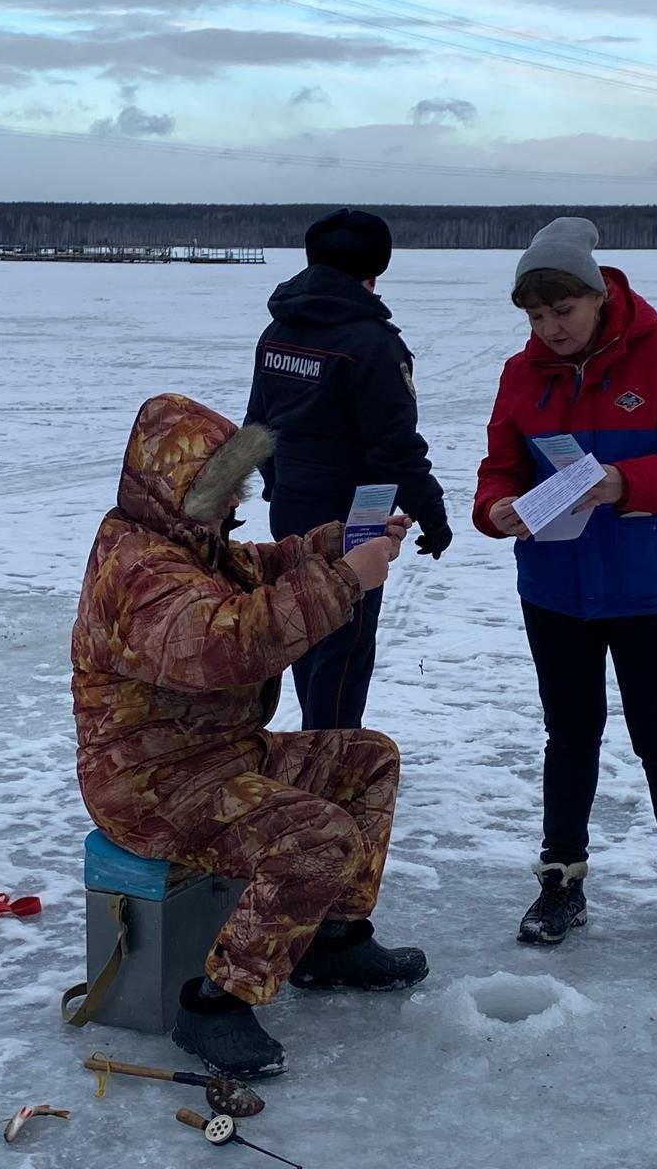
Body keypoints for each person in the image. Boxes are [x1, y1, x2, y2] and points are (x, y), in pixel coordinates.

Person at [71, 392, 427, 1079]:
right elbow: (224, 646)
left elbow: (258, 569)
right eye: (227, 483)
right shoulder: (139, 571)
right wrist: (346, 582)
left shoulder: (183, 539)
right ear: (184, 484)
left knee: (366, 760)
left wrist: (330, 546)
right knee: (312, 832)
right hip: (151, 783)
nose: (240, 498)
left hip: (214, 755)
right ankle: (216, 1006)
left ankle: (333, 941)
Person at [472, 218, 657, 955]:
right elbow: (501, 467)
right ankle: (562, 879)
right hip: (556, 590)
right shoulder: (522, 375)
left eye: (562, 312)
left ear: (597, 296)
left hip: (653, 591)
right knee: (569, 736)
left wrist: (625, 482)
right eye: (535, 316)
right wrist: (494, 508)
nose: (549, 329)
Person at [244, 208, 451, 731]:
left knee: (305, 631)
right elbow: (395, 446)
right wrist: (431, 510)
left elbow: (257, 428)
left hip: (291, 510)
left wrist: (275, 485)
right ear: (373, 274)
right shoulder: (373, 346)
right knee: (344, 647)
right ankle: (329, 771)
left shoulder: (278, 332)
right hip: (354, 522)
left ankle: (316, 756)